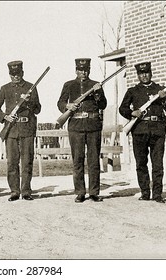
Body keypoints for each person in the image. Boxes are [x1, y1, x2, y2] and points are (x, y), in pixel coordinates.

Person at [119, 62, 166, 203]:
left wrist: (164, 98)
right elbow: (122, 108)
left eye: (146, 72)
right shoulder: (132, 91)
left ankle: (157, 195)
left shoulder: (160, 89)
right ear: (138, 75)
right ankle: (145, 193)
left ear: (151, 73)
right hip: (139, 130)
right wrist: (132, 112)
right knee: (141, 163)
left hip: (157, 130)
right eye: (141, 73)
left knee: (157, 164)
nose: (144, 75)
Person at [57, 58, 107, 203]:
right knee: (77, 160)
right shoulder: (69, 85)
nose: (83, 72)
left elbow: (103, 105)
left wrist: (97, 94)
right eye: (80, 70)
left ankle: (94, 192)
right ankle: (80, 192)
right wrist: (68, 107)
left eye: (85, 70)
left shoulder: (95, 85)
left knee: (93, 160)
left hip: (93, 126)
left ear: (89, 70)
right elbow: (60, 102)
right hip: (76, 126)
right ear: (76, 70)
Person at [0, 60, 41, 201]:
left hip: (27, 129)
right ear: (9, 74)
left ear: (22, 73)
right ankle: (14, 191)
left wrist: (29, 101)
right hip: (11, 130)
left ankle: (26, 191)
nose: (16, 77)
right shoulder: (5, 89)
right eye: (13, 74)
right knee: (12, 162)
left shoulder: (31, 88)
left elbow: (38, 109)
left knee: (27, 162)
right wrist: (5, 116)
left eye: (18, 74)